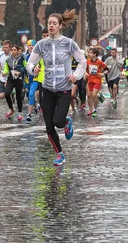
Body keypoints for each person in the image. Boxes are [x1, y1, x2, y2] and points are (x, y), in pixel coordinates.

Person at [26, 10, 86, 166]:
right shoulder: (41, 45)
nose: (51, 26)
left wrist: (76, 75)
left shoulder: (68, 43)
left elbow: (82, 61)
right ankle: (59, 154)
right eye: (49, 23)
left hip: (63, 88)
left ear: (60, 26)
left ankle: (66, 122)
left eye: (54, 23)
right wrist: (34, 69)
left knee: (58, 121)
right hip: (47, 89)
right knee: (48, 125)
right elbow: (30, 63)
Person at [3, 45, 26, 121]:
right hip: (10, 79)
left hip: (18, 80)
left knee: (18, 97)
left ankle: (20, 112)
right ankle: (11, 109)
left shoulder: (22, 58)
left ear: (18, 51)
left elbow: (25, 68)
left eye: (15, 50)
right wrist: (4, 73)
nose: (13, 51)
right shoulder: (8, 59)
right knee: (6, 93)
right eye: (12, 50)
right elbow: (6, 69)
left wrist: (20, 72)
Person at [85, 47, 107, 117]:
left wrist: (103, 74)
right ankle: (90, 110)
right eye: (88, 53)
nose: (89, 54)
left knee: (94, 95)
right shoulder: (87, 61)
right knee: (89, 96)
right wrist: (85, 73)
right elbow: (84, 69)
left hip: (97, 81)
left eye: (90, 53)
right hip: (90, 80)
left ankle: (95, 110)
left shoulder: (99, 62)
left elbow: (107, 69)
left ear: (95, 54)